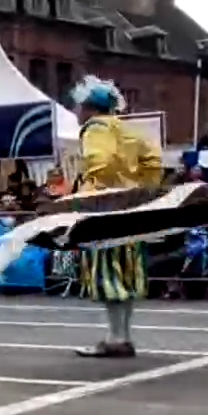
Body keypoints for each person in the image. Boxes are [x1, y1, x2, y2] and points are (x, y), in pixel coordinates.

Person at [69, 76, 162, 357]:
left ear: (88, 107)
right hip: (131, 208)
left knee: (108, 272)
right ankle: (123, 336)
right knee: (126, 271)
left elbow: (102, 162)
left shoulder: (96, 128)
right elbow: (153, 163)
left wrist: (95, 191)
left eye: (78, 106)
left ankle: (115, 338)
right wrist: (141, 191)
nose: (76, 112)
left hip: (106, 209)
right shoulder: (128, 128)